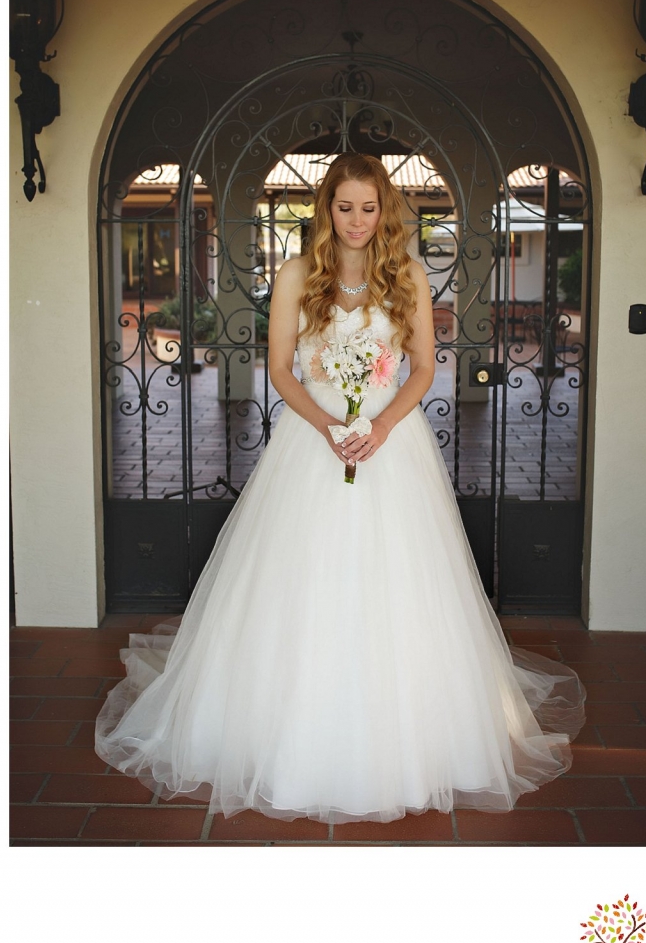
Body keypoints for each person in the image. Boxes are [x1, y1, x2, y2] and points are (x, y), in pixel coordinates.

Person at [95, 153, 585, 824]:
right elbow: (280, 369)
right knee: (303, 580)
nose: (356, 220)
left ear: (385, 212)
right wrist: (331, 425)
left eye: (369, 207)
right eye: (344, 206)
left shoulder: (406, 274)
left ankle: (410, 738)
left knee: (400, 581)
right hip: (315, 442)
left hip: (390, 445)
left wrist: (379, 425)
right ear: (327, 210)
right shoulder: (298, 275)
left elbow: (420, 368)